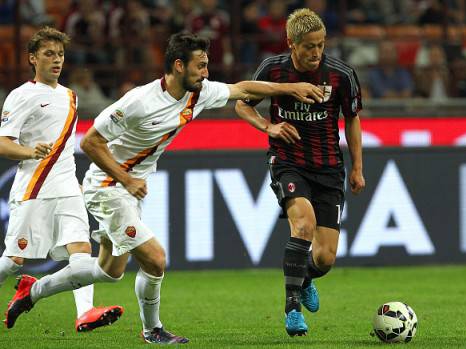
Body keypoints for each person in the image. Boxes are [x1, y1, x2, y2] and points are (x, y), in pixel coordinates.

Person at [5, 32, 324, 344]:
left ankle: (31, 292)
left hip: (129, 188)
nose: (206, 72)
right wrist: (126, 178)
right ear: (178, 66)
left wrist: (289, 87)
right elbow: (91, 142)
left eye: (207, 64)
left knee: (109, 271)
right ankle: (152, 330)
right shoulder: (138, 102)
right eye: (200, 65)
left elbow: (241, 88)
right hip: (107, 185)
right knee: (156, 259)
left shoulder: (199, 93)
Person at [235, 8, 365, 337]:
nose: (316, 52)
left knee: (325, 257)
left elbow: (352, 119)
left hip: (329, 169)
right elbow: (241, 103)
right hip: (288, 162)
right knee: (302, 224)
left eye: (320, 45)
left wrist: (358, 168)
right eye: (309, 46)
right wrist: (269, 126)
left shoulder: (341, 75)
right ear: (291, 43)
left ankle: (304, 278)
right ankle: (292, 307)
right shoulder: (273, 71)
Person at [0, 27, 123, 331]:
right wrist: (29, 151)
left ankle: (85, 312)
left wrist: (75, 182)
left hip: (67, 186)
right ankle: (26, 289)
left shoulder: (70, 97)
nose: (57, 60)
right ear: (33, 58)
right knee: (13, 261)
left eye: (61, 55)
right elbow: (3, 142)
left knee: (81, 251)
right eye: (49, 54)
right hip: (34, 188)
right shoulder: (21, 95)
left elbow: (64, 148)